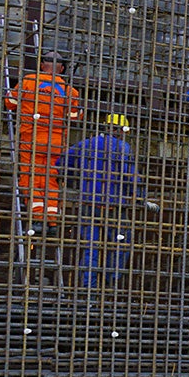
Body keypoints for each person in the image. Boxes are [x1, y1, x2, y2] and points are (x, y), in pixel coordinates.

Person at [58, 114, 156, 286]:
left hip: (89, 205)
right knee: (121, 245)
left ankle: (88, 292)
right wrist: (140, 197)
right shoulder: (121, 147)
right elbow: (130, 175)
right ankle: (111, 285)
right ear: (119, 130)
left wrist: (78, 179)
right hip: (114, 206)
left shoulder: (86, 144)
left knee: (90, 250)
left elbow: (62, 163)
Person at [4, 52, 82, 233]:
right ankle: (52, 222)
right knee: (51, 181)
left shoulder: (28, 82)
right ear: (61, 69)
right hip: (55, 144)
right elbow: (76, 116)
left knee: (30, 179)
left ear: (41, 66)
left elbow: (9, 103)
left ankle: (38, 220)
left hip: (31, 141)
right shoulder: (69, 90)